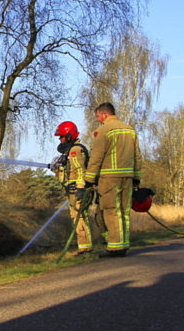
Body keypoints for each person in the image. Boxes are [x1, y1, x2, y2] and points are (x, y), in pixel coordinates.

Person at [84, 102, 141, 257]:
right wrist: (136, 177)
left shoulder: (103, 130)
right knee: (124, 211)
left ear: (104, 114)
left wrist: (89, 178)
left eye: (97, 116)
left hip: (109, 178)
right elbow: (137, 155)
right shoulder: (129, 130)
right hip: (127, 177)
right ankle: (124, 244)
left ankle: (115, 247)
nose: (97, 120)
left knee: (111, 211)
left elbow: (97, 156)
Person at [50, 121, 95, 255]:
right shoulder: (71, 151)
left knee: (79, 217)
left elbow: (81, 170)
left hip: (77, 190)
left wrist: (81, 188)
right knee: (77, 217)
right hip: (73, 189)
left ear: (69, 136)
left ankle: (85, 248)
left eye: (62, 136)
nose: (60, 139)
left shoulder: (75, 150)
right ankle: (84, 247)